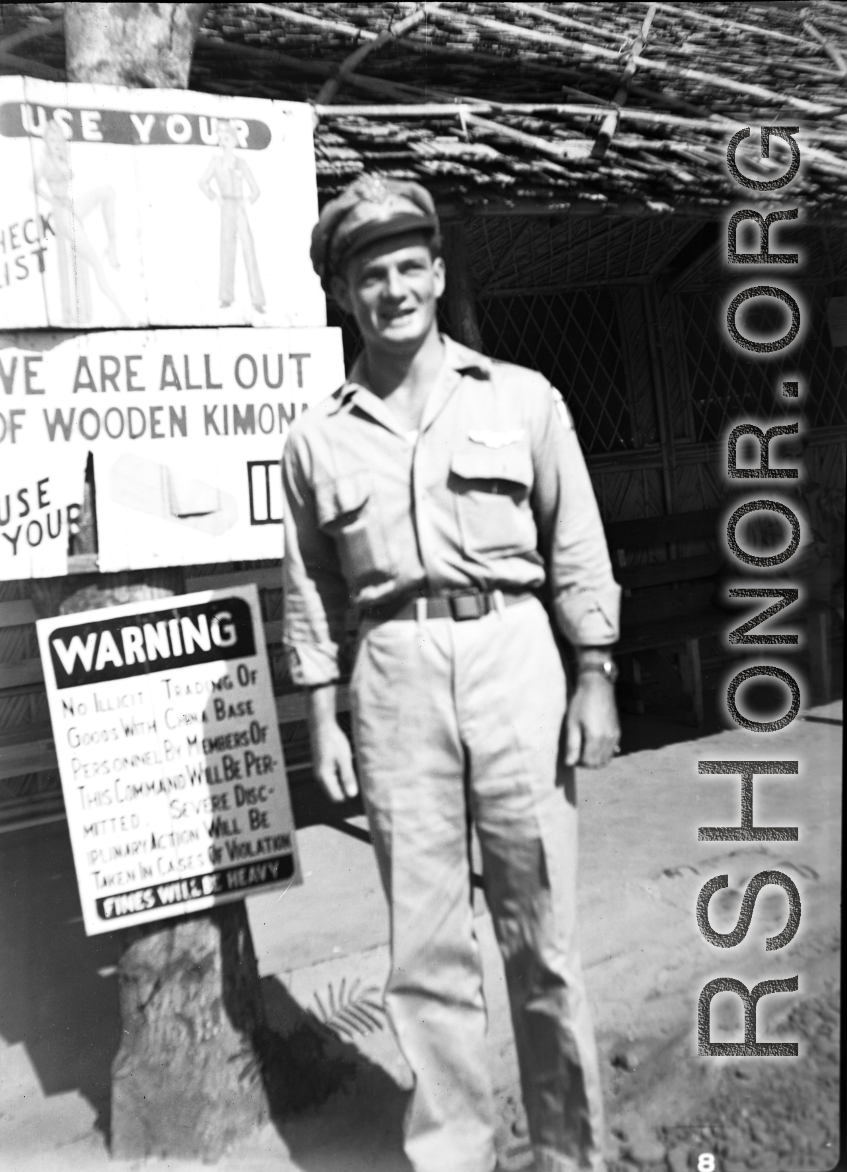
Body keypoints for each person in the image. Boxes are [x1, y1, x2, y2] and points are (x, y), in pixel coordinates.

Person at [282, 174, 622, 1172]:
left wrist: (594, 668)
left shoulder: (520, 397)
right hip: (390, 675)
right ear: (344, 295)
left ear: (436, 272)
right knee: (425, 950)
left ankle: (567, 1151)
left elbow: (577, 539)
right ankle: (455, 1155)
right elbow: (308, 587)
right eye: (368, 275)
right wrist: (321, 715)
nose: (391, 290)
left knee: (541, 933)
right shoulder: (316, 437)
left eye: (406, 266)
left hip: (514, 655)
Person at [199, 118, 266, 313]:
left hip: (239, 206)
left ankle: (258, 299)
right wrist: (214, 197)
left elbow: (255, 189)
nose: (223, 142)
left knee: (248, 250)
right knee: (227, 250)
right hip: (225, 207)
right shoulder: (216, 162)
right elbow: (202, 182)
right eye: (220, 139)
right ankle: (226, 296)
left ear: (234, 140)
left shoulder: (241, 162)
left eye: (227, 138)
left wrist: (248, 201)